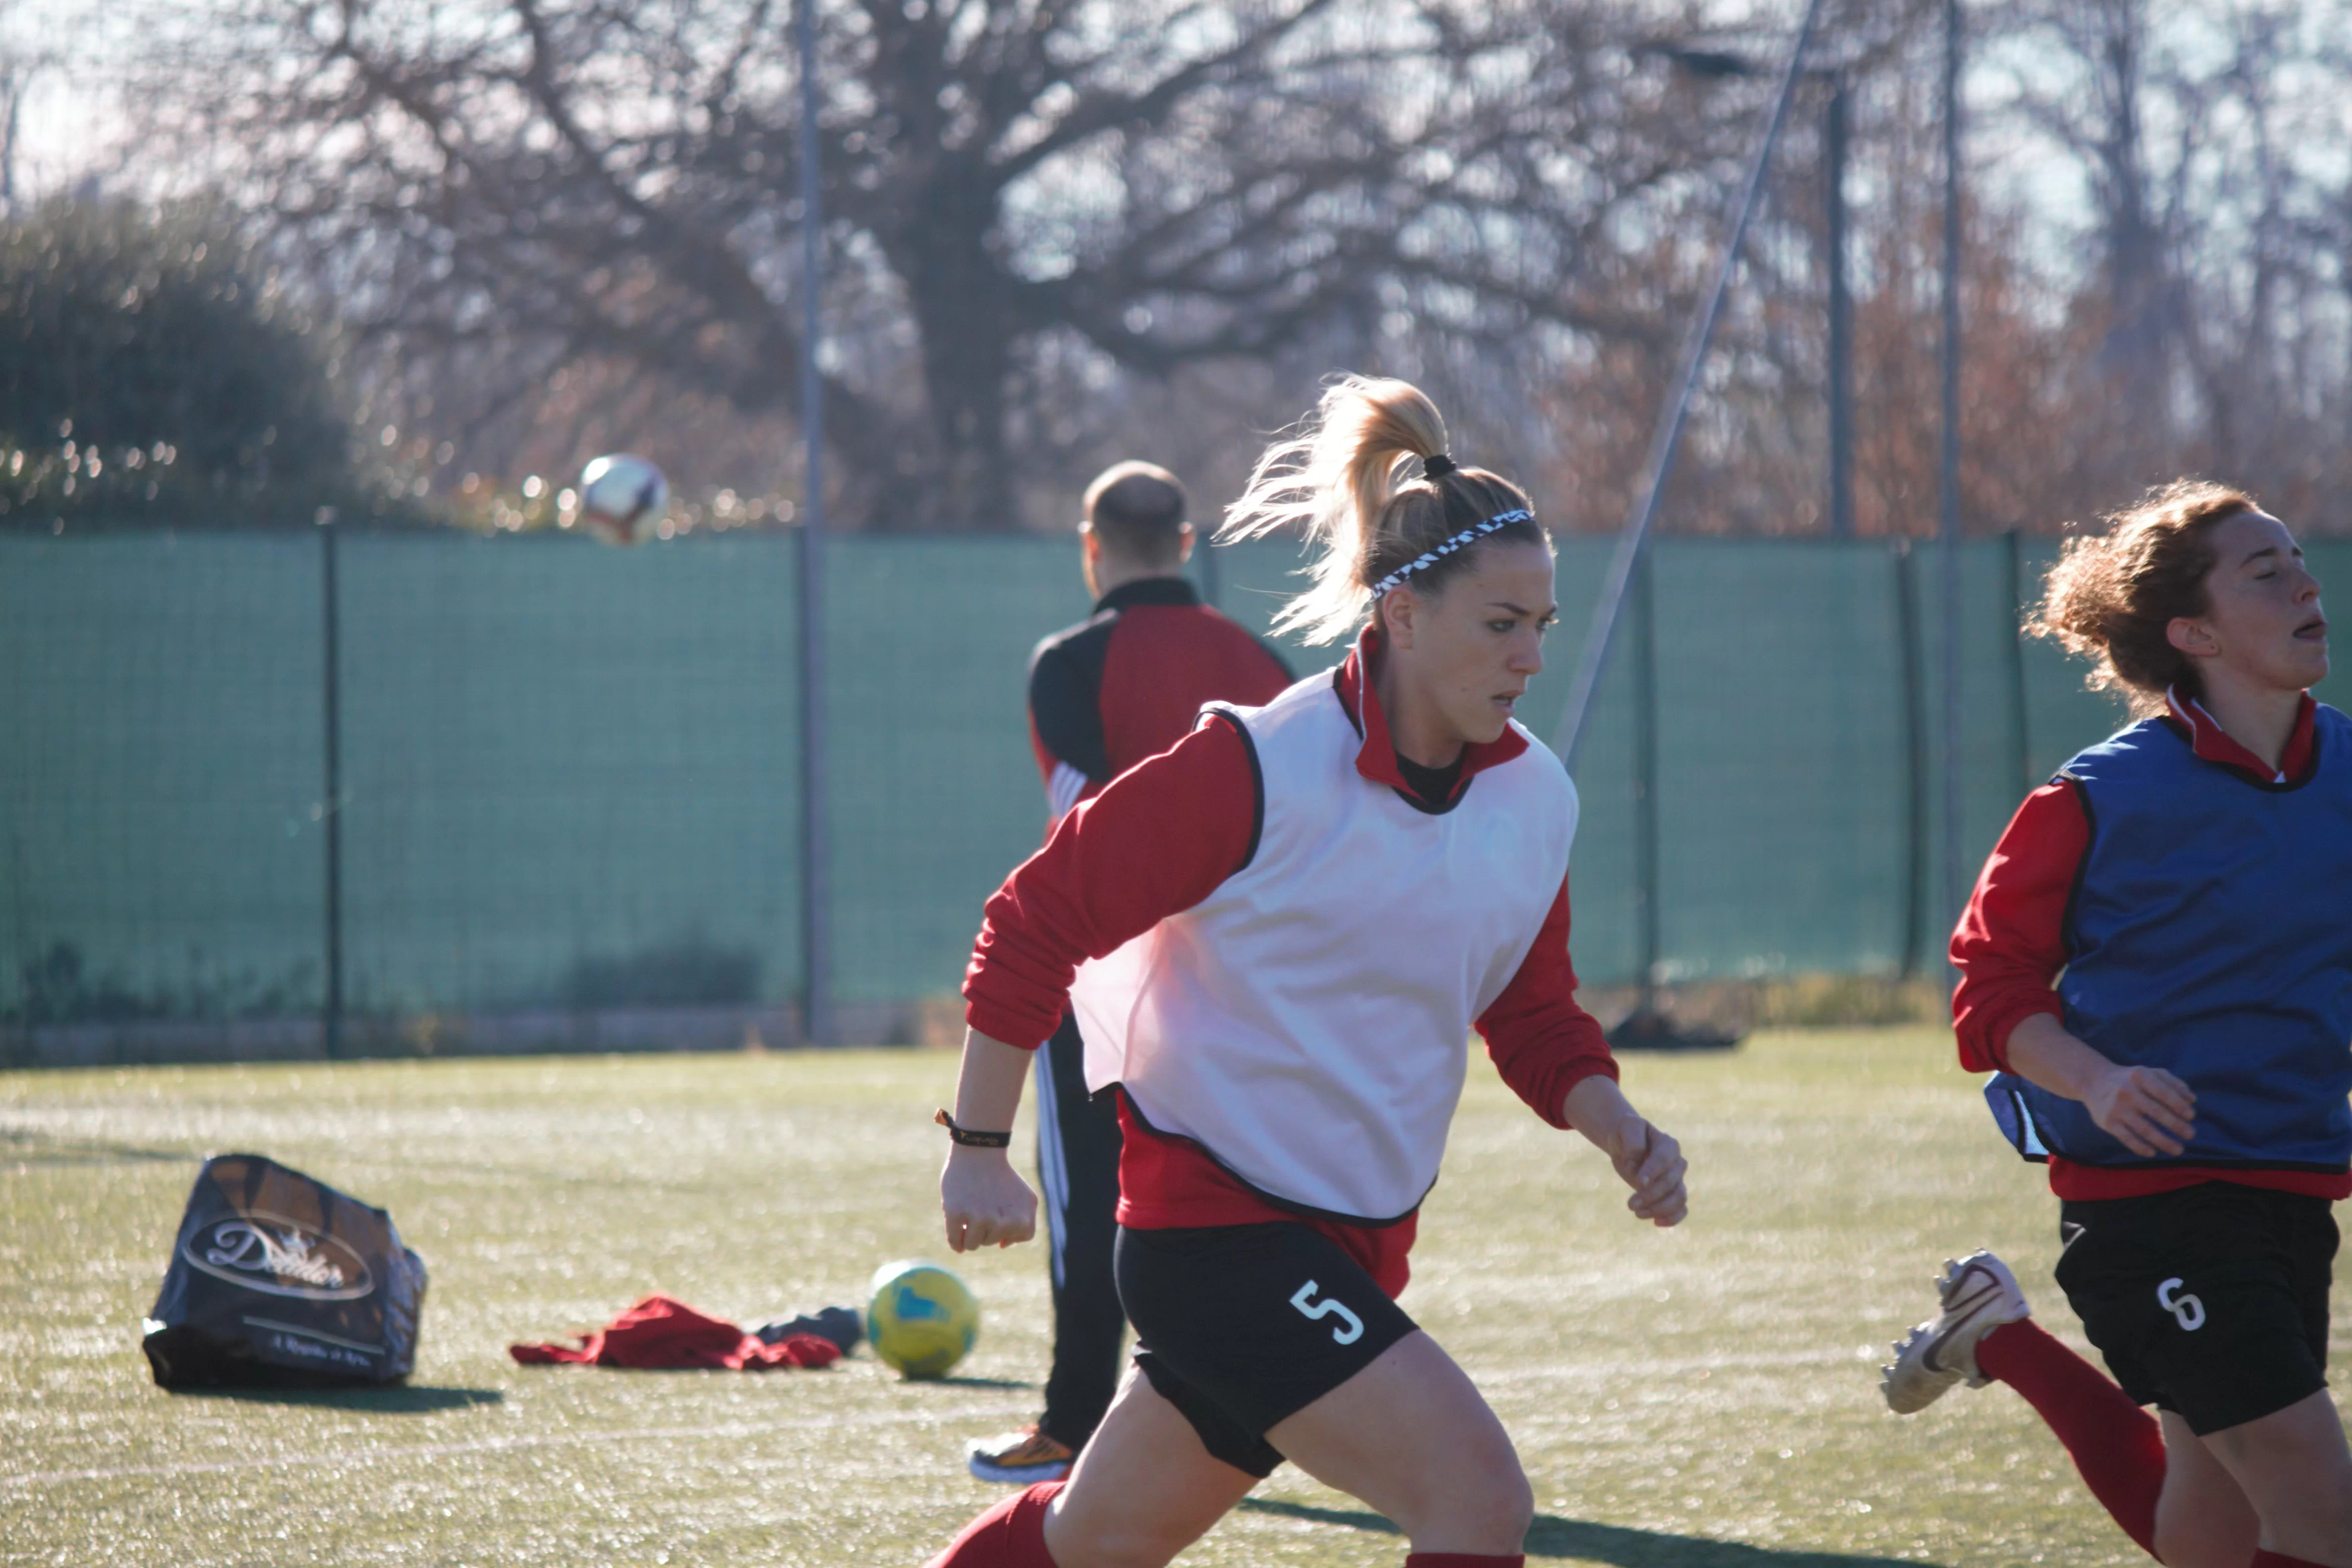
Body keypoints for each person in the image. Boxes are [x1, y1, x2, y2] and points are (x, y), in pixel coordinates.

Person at [924, 376, 1690, 1568]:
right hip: (1215, 1236)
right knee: (1477, 1500)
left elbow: (1531, 1008)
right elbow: (1034, 917)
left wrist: (1615, 1123)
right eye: (1503, 624)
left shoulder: (1535, 795)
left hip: (1351, 1243)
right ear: (1403, 616)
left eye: (1545, 623)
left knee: (1091, 1542)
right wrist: (979, 1147)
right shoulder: (1259, 765)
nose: (1533, 657)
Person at [1882, 481, 2352, 1568]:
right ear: (2195, 634)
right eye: (2266, 572)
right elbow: (1992, 989)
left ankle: (2000, 1339)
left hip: (2293, 1186)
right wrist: (2095, 1080)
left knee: (2216, 1528)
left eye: (2299, 560)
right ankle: (2002, 1337)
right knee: (2321, 1509)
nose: (2306, 584)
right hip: (2154, 1207)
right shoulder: (2099, 796)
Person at [965, 460, 1292, 1486]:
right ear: (1187, 546)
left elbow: (1087, 825)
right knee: (1240, 1192)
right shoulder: (1263, 661)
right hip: (1243, 979)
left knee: (1095, 1196)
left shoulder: (1067, 663)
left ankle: (1074, 1425)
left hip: (1103, 973)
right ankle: (1257, 1412)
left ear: (1091, 548)